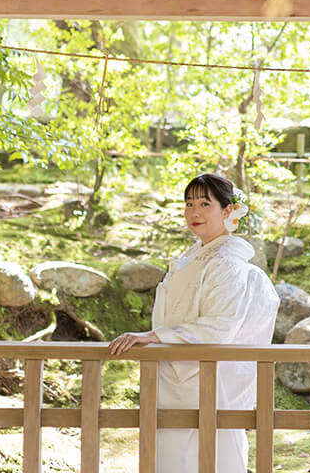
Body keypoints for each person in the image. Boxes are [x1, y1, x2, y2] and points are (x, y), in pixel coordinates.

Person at [109, 173, 279, 472]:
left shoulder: (225, 262)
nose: (194, 212)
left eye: (204, 203)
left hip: (205, 375)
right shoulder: (196, 256)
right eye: (189, 203)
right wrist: (158, 338)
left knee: (209, 455)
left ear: (228, 211)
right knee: (173, 454)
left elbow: (220, 326)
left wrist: (154, 335)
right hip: (178, 370)